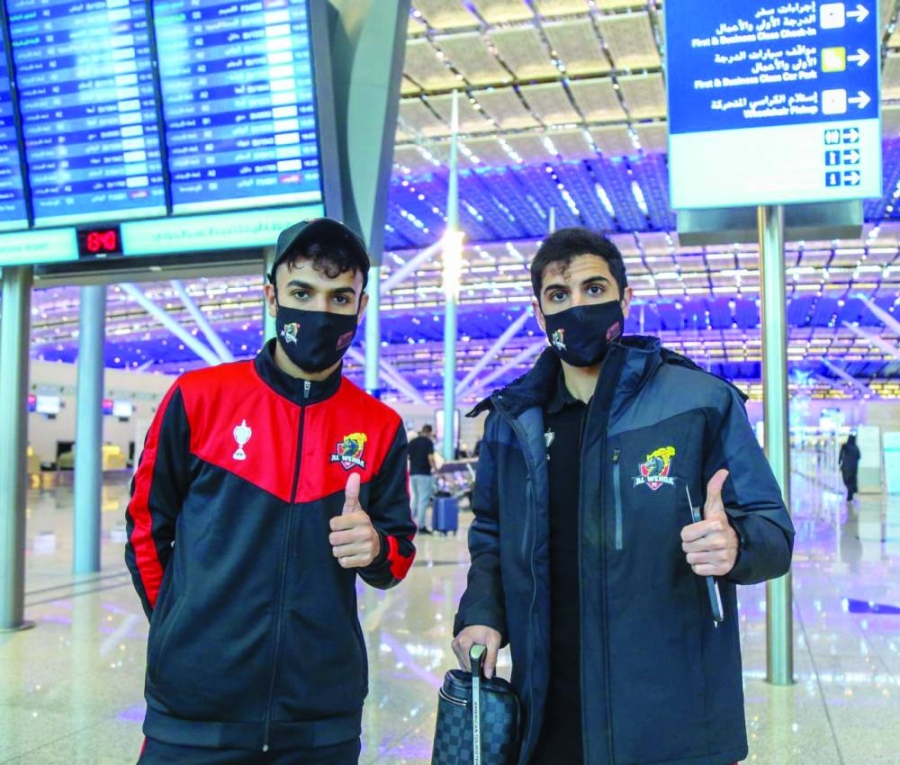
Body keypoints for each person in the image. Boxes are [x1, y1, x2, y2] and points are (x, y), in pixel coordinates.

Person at [451, 227, 795, 765]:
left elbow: (773, 530)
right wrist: (481, 612)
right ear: (539, 314)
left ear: (625, 299)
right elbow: (491, 535)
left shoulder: (700, 403)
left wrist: (736, 544)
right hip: (548, 714)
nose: (577, 307)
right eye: (558, 295)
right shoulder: (512, 421)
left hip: (670, 717)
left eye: (594, 289)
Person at [125, 218, 417, 765]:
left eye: (339, 298)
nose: (320, 311)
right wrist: (179, 626)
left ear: (361, 306)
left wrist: (376, 547)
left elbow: (397, 558)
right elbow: (146, 525)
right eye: (302, 292)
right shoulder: (198, 398)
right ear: (271, 296)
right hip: (194, 713)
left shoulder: (378, 426)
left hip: (319, 719)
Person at [408, 424, 437, 534]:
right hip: (424, 474)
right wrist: (436, 469)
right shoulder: (428, 442)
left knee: (415, 499)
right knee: (423, 500)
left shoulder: (412, 442)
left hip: (413, 474)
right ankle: (421, 526)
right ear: (429, 432)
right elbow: (430, 458)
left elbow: (408, 456)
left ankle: (409, 524)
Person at [839, 434, 861, 501]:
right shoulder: (856, 447)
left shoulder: (846, 446)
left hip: (846, 467)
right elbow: (859, 456)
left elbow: (841, 453)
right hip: (854, 468)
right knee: (851, 481)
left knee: (847, 481)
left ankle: (850, 495)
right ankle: (851, 493)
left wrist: (840, 461)